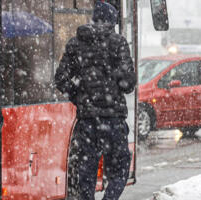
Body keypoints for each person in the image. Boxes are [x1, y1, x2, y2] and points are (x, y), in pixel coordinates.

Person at [55, 1, 136, 199]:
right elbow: (128, 84)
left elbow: (60, 79)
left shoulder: (76, 43)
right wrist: (116, 79)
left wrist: (79, 96)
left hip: (87, 122)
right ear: (111, 21)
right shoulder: (118, 43)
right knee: (119, 170)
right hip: (113, 121)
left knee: (86, 174)